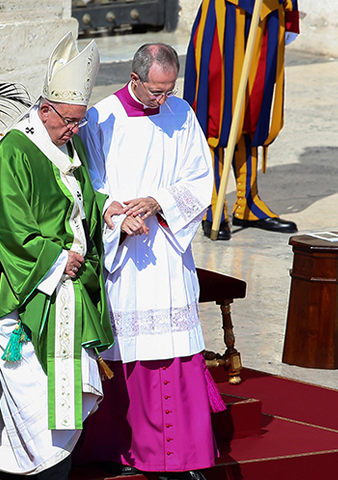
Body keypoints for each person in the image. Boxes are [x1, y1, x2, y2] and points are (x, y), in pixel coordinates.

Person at [0, 32, 113, 480]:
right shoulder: (13, 153)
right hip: (18, 295)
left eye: (80, 122)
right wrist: (61, 259)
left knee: (57, 396)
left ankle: (40, 468)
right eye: (71, 121)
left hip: (60, 293)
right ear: (45, 109)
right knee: (29, 395)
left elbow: (78, 204)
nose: (76, 130)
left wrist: (106, 212)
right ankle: (20, 469)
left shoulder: (66, 144)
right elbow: (6, 226)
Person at [74, 44, 222, 480]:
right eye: (156, 91)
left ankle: (182, 457)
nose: (163, 99)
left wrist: (159, 202)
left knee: (174, 349)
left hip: (168, 251)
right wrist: (117, 218)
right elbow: (89, 185)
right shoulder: (102, 119)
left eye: (168, 89)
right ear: (134, 79)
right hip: (126, 256)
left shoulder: (181, 114)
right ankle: (124, 447)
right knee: (130, 350)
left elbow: (200, 177)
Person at [183, 0, 300, 240]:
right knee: (215, 111)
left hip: (267, 13)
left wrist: (291, 15)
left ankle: (247, 202)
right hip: (225, 12)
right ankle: (212, 203)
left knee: (254, 106)